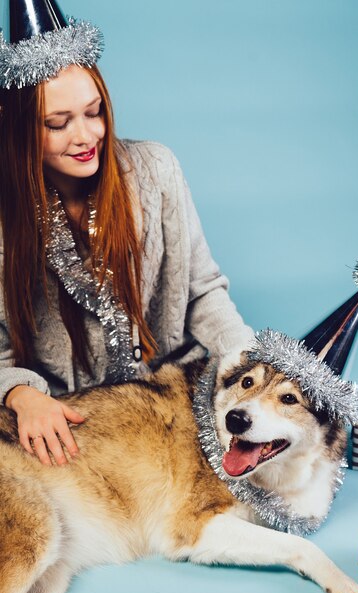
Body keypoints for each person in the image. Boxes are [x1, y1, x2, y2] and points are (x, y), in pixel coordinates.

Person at [0, 3, 252, 467]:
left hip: (171, 399)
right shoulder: (5, 219)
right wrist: (20, 394)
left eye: (94, 113)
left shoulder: (155, 171)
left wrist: (247, 362)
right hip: (70, 421)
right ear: (19, 131)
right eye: (57, 123)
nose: (85, 136)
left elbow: (202, 292)